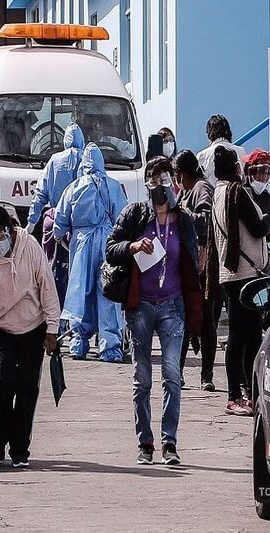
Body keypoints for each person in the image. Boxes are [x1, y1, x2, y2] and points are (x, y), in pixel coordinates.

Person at [106, 156, 202, 466]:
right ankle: (145, 442)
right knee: (142, 376)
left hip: (173, 306)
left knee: (172, 374)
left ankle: (169, 442)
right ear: (147, 186)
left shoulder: (183, 220)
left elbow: (194, 257)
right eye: (154, 183)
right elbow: (110, 248)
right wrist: (133, 246)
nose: (160, 189)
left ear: (174, 183)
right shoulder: (135, 215)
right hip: (141, 305)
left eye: (165, 182)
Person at [0, 205, 60, 467]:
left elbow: (47, 287)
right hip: (1, 329)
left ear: (11, 231)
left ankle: (20, 450)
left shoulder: (32, 249)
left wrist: (52, 328)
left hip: (32, 326)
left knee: (27, 386)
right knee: (6, 382)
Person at [53, 143, 128, 361]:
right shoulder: (114, 187)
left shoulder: (74, 188)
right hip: (107, 243)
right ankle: (110, 346)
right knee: (108, 291)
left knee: (80, 292)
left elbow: (60, 222)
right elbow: (122, 218)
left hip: (81, 245)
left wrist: (64, 233)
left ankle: (78, 342)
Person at [210, 146, 270, 416]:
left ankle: (248, 391)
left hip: (230, 273)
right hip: (245, 274)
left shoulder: (219, 193)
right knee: (243, 336)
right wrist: (267, 219)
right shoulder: (238, 192)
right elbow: (257, 228)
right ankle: (237, 394)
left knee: (246, 334)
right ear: (236, 168)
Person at [26, 122, 85, 306]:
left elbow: (40, 194)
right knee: (82, 275)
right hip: (82, 228)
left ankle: (54, 317)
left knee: (51, 273)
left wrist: (31, 222)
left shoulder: (54, 161)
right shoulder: (88, 161)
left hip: (55, 225)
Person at [174, 150, 218, 391]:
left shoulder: (202, 189)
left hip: (202, 267)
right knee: (183, 319)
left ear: (183, 173)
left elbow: (205, 219)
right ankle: (177, 372)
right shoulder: (185, 191)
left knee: (206, 320)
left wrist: (182, 213)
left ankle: (206, 374)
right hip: (186, 266)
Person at [197, 115, 247, 186]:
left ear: (209, 133)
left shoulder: (202, 156)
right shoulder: (241, 151)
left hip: (213, 195)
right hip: (237, 194)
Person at [243, 148, 270, 216]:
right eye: (261, 171)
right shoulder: (240, 193)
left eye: (268, 173)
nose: (264, 177)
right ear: (251, 171)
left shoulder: (266, 197)